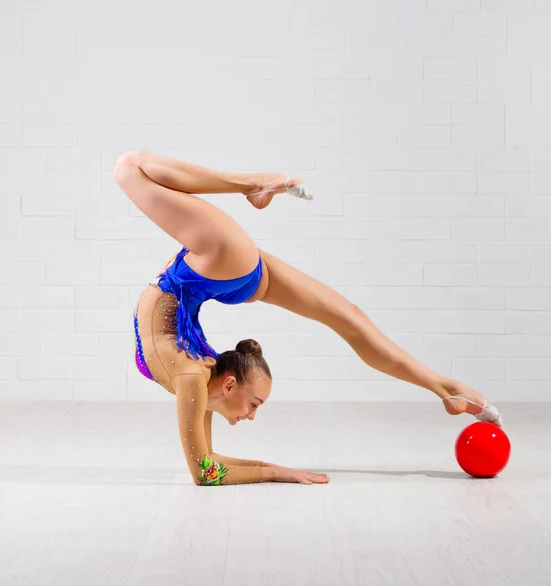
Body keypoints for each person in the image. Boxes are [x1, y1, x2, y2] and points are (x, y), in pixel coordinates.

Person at [114, 151, 502, 487]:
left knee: (129, 167)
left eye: (254, 405)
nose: (252, 416)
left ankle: (252, 183)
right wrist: (283, 469)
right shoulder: (206, 380)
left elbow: (204, 474)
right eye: (256, 405)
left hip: (211, 265)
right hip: (219, 274)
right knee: (348, 317)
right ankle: (444, 388)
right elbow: (212, 463)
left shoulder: (193, 378)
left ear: (230, 384)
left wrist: (276, 474)